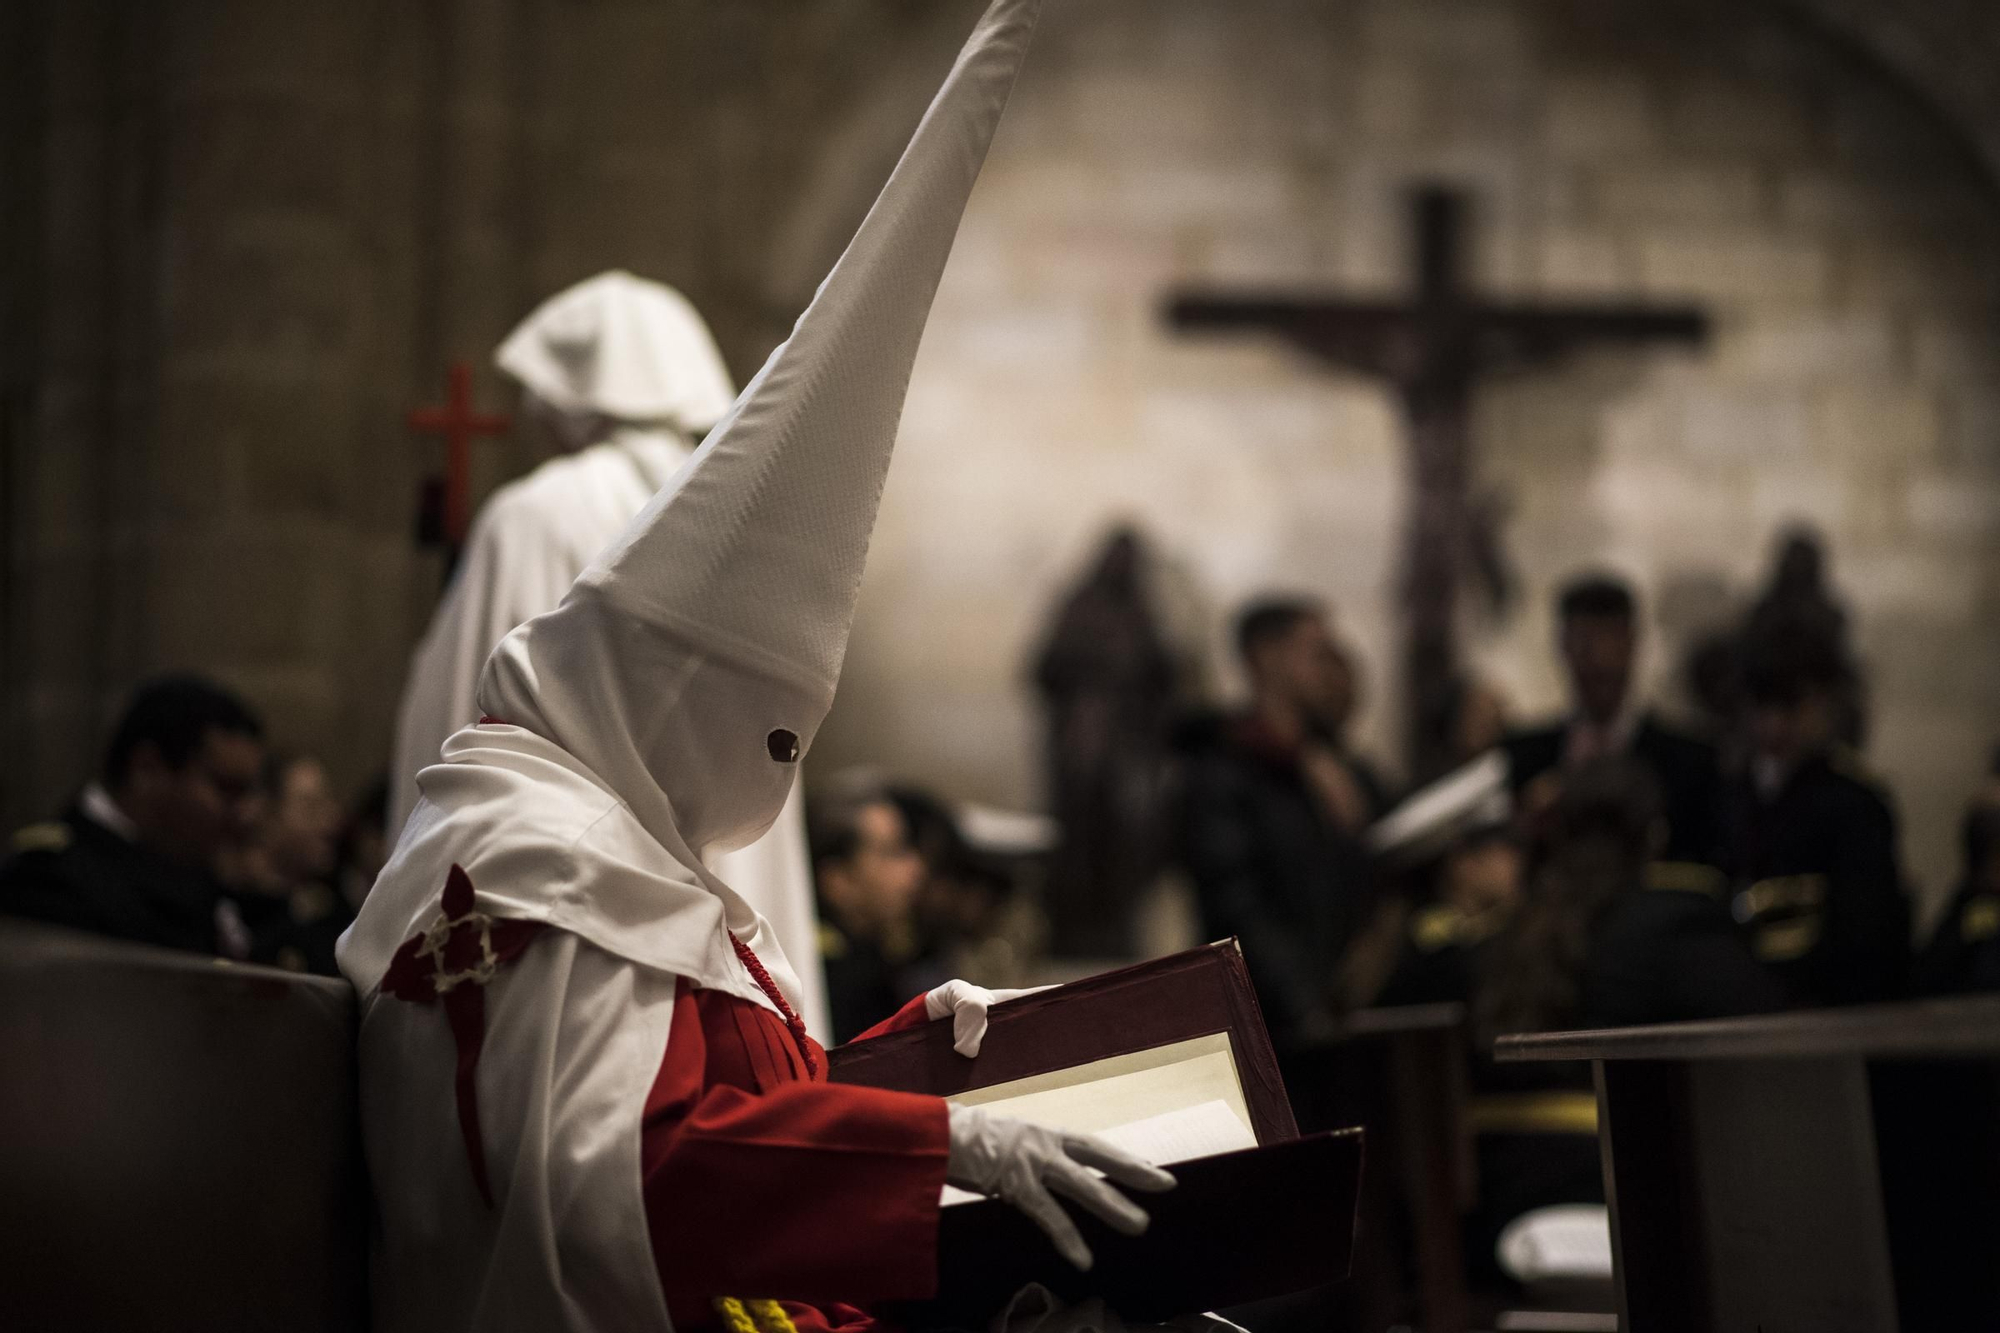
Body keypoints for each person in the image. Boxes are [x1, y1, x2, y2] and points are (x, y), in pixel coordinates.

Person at [336, 7, 1185, 1330]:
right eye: (766, 729)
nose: (772, 777)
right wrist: (940, 1147)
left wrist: (924, 1056)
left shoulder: (628, 851)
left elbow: (720, 1098)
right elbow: (622, 1168)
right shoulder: (538, 861)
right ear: (667, 693)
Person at [387, 268, 828, 1037]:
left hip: (568, 919)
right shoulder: (737, 529)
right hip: (723, 905)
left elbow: (473, 722)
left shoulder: (538, 514)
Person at [1179, 596, 1381, 1041]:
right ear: (1266, 658)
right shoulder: (1222, 771)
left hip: (1349, 1016)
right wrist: (1306, 1004)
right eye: (1315, 652)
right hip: (1275, 1027)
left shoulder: (1338, 768)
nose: (1330, 666)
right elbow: (1237, 905)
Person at [1716, 615, 1909, 1005]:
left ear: (1825, 702)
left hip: (1823, 1012)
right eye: (1761, 704)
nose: (1773, 725)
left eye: (1791, 705)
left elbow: (1867, 940)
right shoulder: (1727, 795)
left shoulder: (1855, 806)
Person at [0, 674, 265, 957]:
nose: (245, 813)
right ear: (147, 769)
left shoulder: (187, 869)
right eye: (226, 789)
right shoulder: (49, 880)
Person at [1031, 526, 1180, 956]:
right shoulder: (1078, 606)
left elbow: (1164, 677)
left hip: (1129, 749)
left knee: (1131, 838)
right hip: (1082, 745)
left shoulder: (1142, 613)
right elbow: (1044, 669)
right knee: (1079, 841)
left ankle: (1119, 929)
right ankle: (1074, 934)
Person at [1503, 574, 1719, 867]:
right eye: (1586, 644)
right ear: (1564, 646)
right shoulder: (1523, 758)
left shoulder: (1690, 764)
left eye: (1612, 641)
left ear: (1632, 643)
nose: (1600, 661)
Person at [810, 783, 929, 1044]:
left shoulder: (878, 958)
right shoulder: (830, 983)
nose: (916, 868)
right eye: (892, 852)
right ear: (838, 881)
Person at [224, 753, 352, 975]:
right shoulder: (228, 905)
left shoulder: (335, 910)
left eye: (328, 806)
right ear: (265, 813)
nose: (330, 821)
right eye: (310, 807)